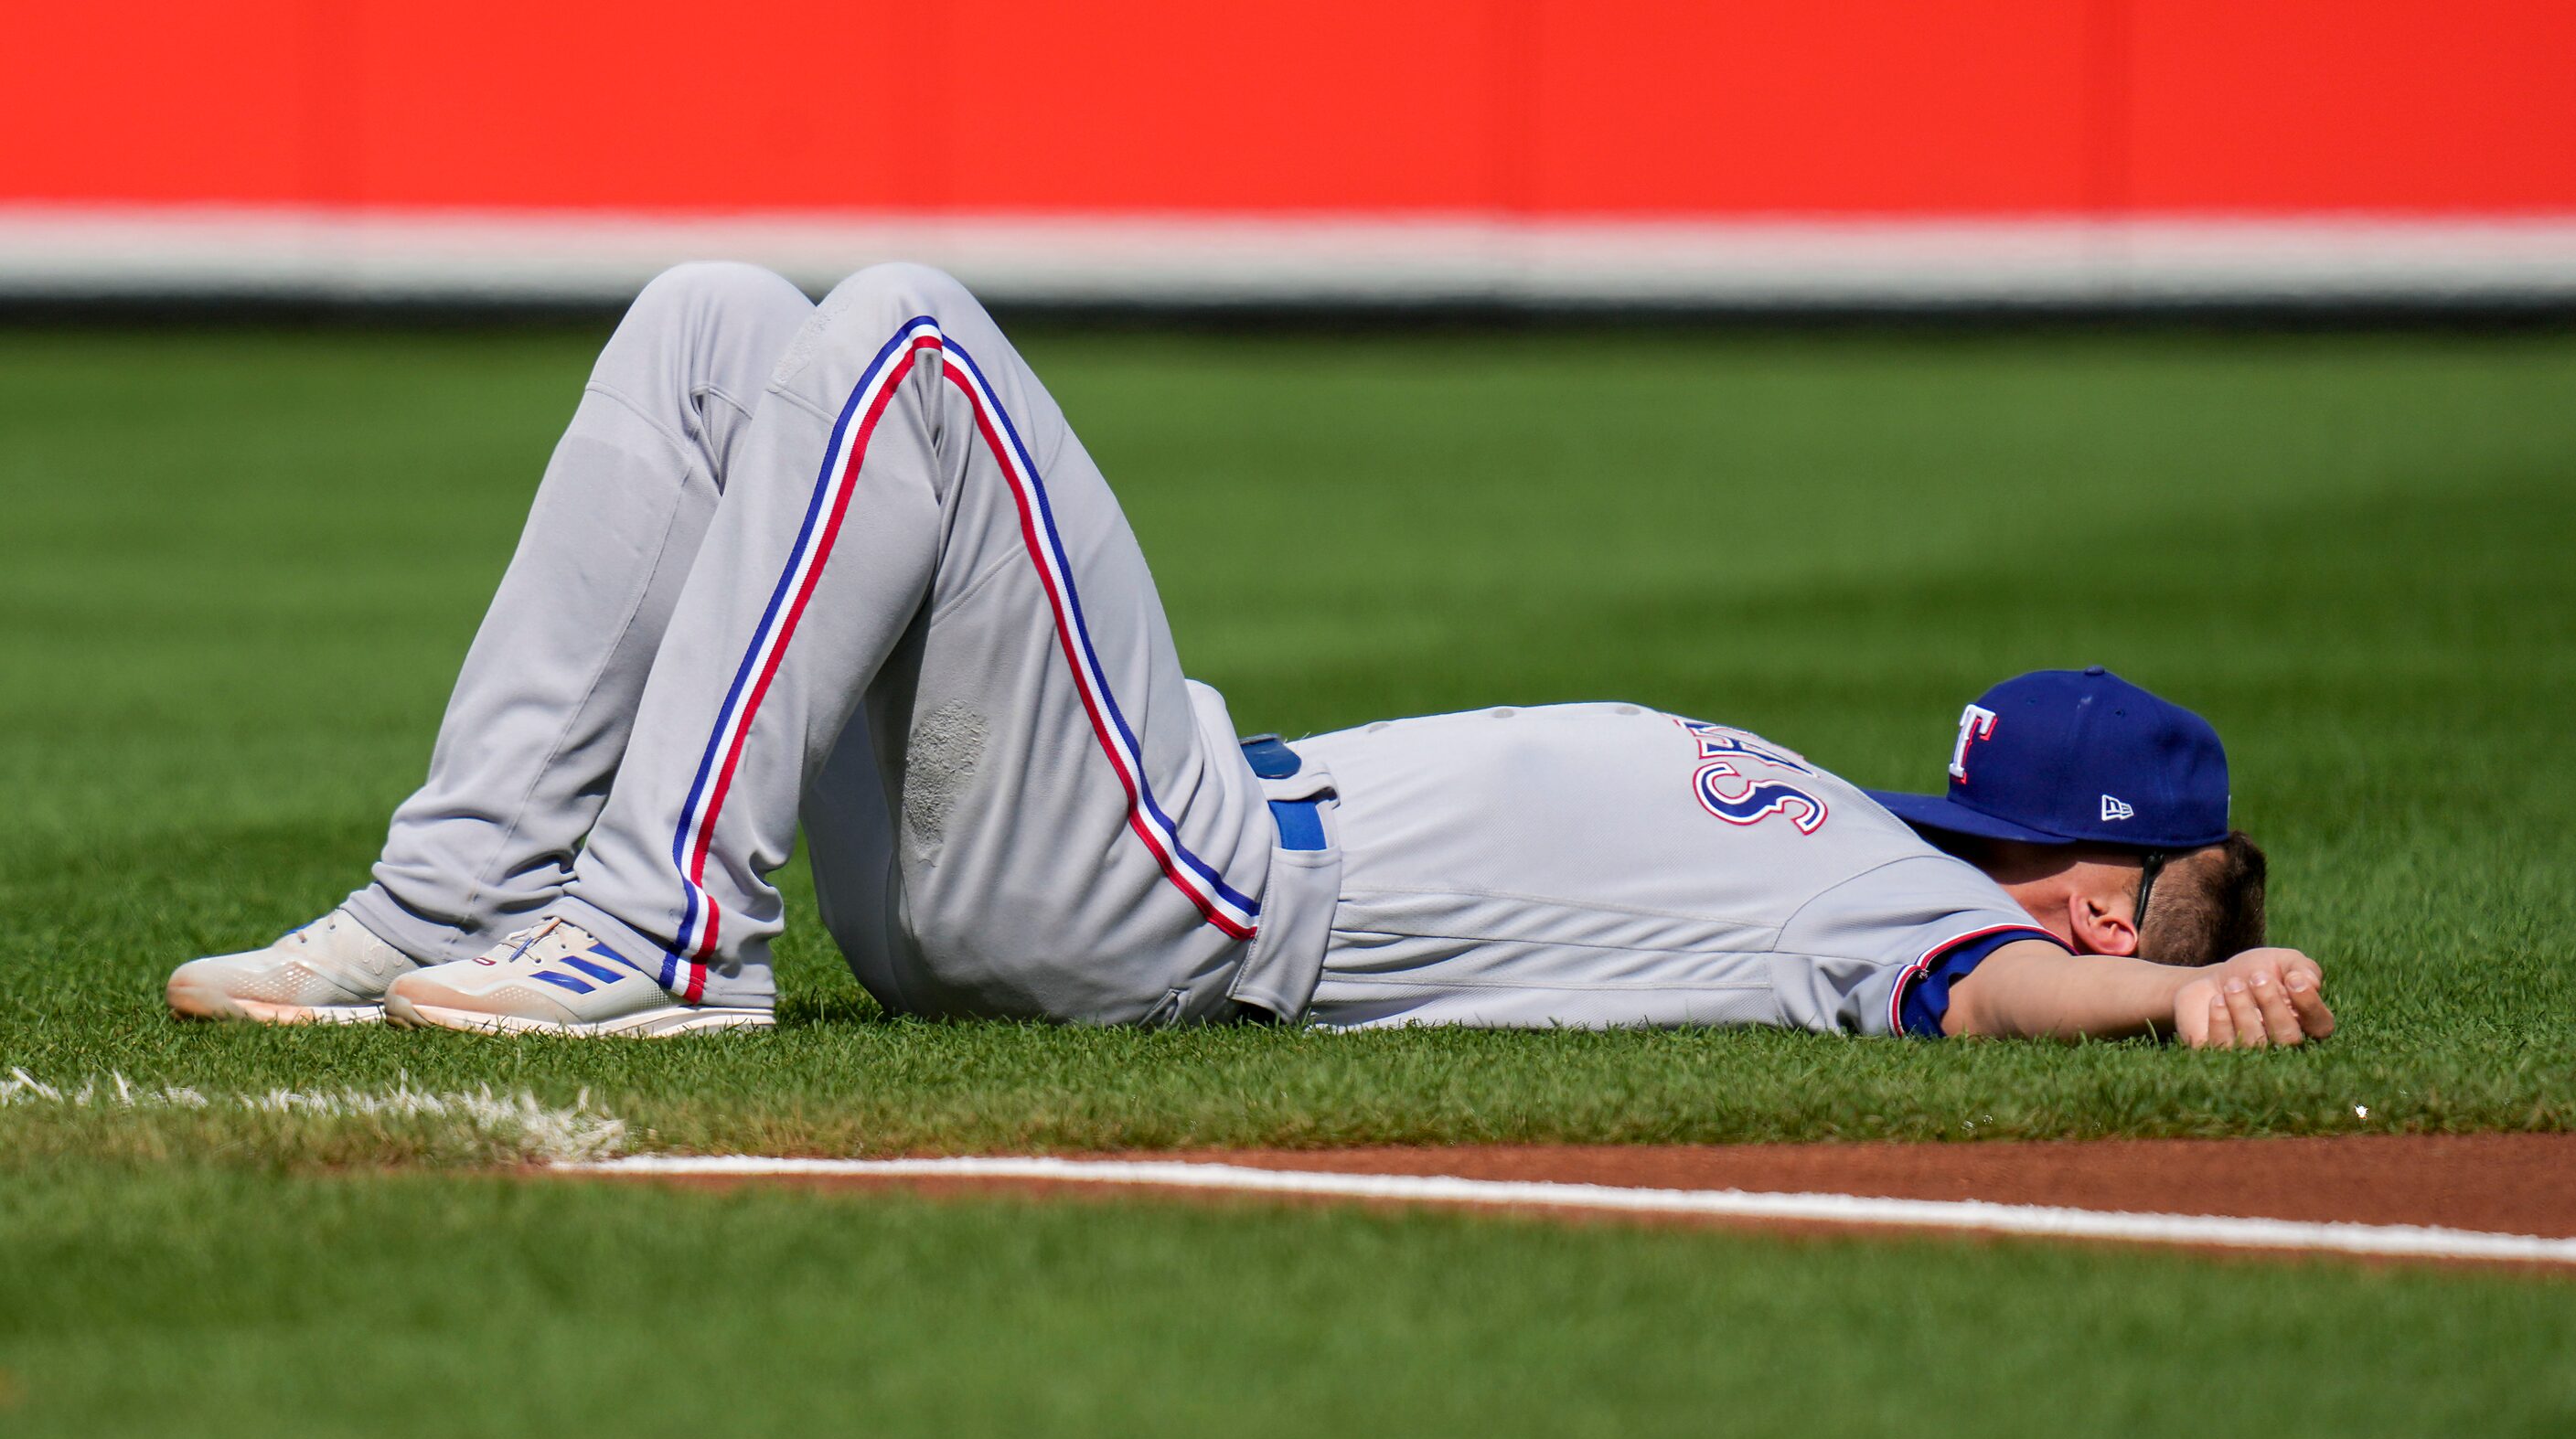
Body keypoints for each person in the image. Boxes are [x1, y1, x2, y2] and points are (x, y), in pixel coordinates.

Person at [165, 262, 2333, 1052]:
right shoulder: (1854, 848)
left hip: (1184, 895)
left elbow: (1980, 988)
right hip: (1080, 854)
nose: (1934, 828)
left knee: (913, 334)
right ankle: (450, 901)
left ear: (2076, 883)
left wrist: (2165, 992)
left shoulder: (1891, 909)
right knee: (720, 321)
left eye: (1988, 834)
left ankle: (658, 939)